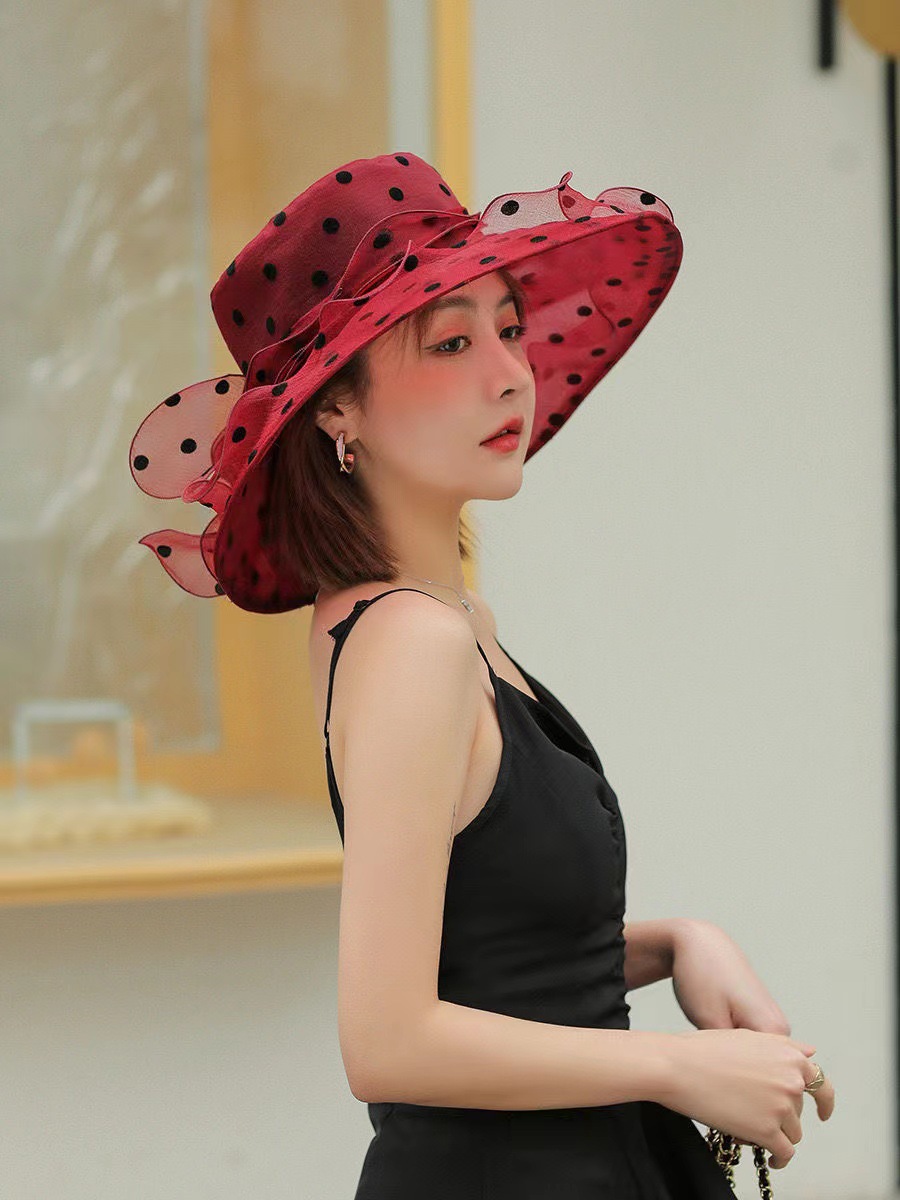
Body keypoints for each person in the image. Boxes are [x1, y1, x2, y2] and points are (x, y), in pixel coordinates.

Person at [130, 151, 834, 1197]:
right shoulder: (413, 643)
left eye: (509, 327)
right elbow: (388, 1040)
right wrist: (682, 1067)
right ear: (335, 410)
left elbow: (488, 957)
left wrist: (677, 942)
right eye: (451, 342)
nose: (511, 373)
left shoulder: (427, 622)